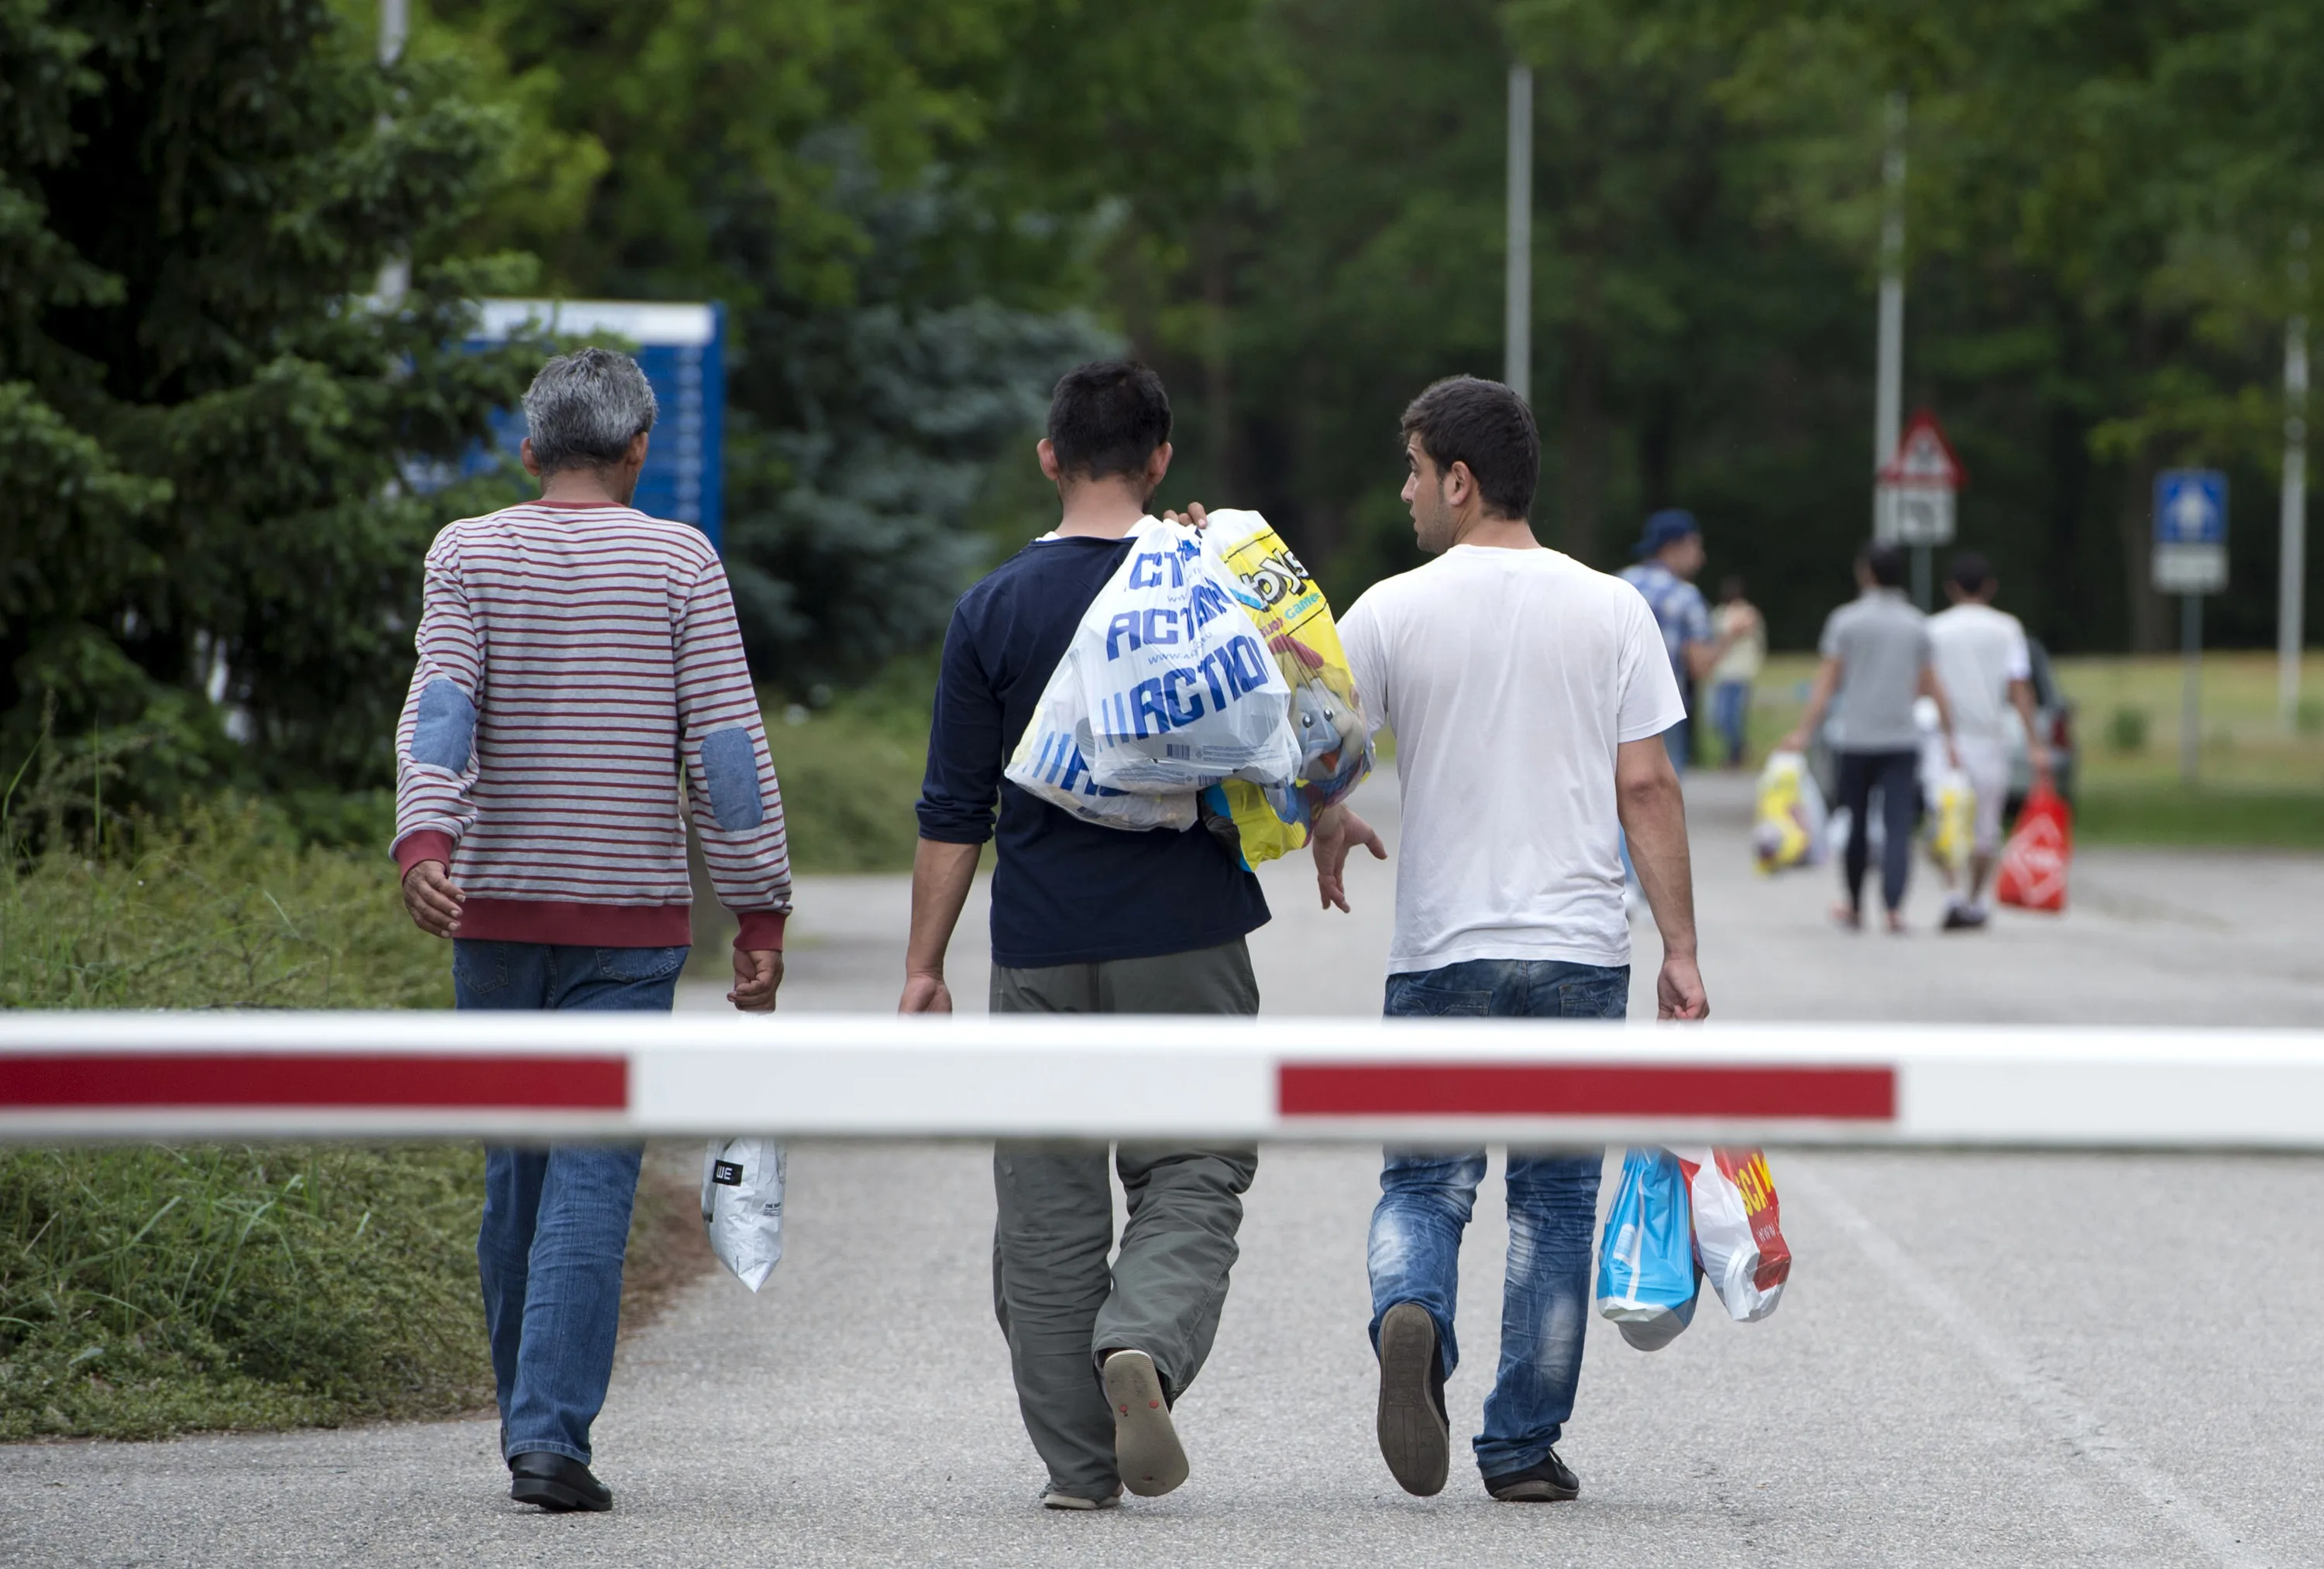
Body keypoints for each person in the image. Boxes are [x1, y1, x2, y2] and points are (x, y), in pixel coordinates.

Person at [900, 362, 1373, 1511]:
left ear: (1049, 456)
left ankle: (1079, 1467)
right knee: (1197, 1161)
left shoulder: (994, 608)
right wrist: (1328, 810)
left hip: (1042, 938)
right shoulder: (1204, 582)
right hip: (1189, 928)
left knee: (1048, 1194)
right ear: (1161, 459)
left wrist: (924, 964)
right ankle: (1146, 1346)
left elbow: (955, 808)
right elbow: (1310, 724)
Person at [392, 348, 791, 1514]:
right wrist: (758, 904)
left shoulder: (467, 550)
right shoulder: (679, 557)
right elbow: (725, 746)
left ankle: (532, 1422)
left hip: (496, 912)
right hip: (627, 922)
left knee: (516, 1165)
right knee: (593, 1172)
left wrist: (427, 841)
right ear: (636, 453)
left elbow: (444, 701)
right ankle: (548, 1436)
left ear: (527, 452)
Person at [1311, 375, 1708, 1507]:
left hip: (1441, 944)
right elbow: (1647, 784)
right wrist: (1679, 947)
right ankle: (1522, 1446)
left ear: (1461, 480)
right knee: (1553, 1203)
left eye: (1413, 468)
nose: (1404, 491)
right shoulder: (1614, 607)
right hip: (1580, 946)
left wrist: (1333, 815)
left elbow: (1320, 751)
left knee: (1425, 1180)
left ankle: (1410, 1314)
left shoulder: (1388, 610)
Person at [1777, 543, 1957, 934]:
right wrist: (1950, 734)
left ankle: (1856, 906)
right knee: (1898, 824)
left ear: (1867, 574)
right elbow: (1931, 683)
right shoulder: (1916, 624)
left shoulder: (1846, 621)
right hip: (1902, 738)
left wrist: (1805, 731)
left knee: (1856, 822)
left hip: (1856, 737)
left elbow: (1827, 682)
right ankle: (1894, 909)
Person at [1927, 551, 2052, 929]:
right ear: (1991, 588)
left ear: (1950, 588)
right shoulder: (2007, 629)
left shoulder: (1933, 629)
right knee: (1985, 826)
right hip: (1989, 736)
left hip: (1944, 736)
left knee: (1945, 817)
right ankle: (1975, 898)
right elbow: (2019, 687)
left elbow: (1927, 682)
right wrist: (2034, 741)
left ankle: (1951, 893)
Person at [1618, 510, 1740, 771]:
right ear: (1676, 546)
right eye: (1697, 546)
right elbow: (1700, 667)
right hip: (1663, 713)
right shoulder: (1686, 597)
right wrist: (1732, 636)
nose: (1702, 557)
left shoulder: (1618, 583)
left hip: (1613, 706)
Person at [1707, 576, 1765, 768]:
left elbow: (1744, 631)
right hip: (1722, 672)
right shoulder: (1719, 614)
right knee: (1719, 717)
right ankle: (1738, 749)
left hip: (1741, 672)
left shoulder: (1749, 612)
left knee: (1734, 717)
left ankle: (1735, 755)